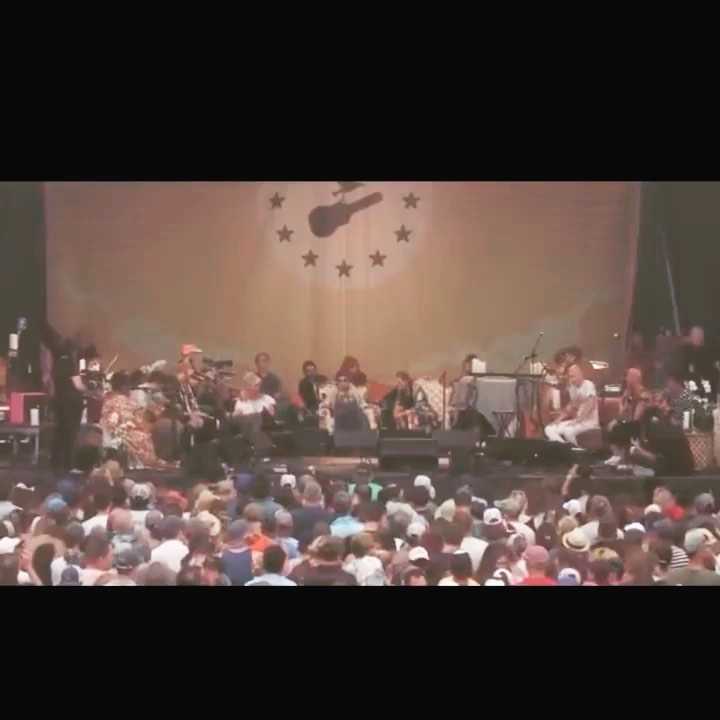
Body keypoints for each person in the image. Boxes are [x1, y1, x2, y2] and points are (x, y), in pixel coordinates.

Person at [100, 371, 175, 470]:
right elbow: (131, 418)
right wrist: (149, 414)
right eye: (128, 386)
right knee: (142, 435)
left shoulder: (109, 398)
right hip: (122, 430)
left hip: (116, 428)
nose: (130, 389)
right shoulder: (120, 399)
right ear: (123, 387)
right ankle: (147, 462)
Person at [51, 338, 86, 473]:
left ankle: (56, 462)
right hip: (71, 403)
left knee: (60, 432)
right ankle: (69, 464)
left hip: (59, 401)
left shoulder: (57, 363)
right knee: (71, 433)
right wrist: (88, 389)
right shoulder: (70, 364)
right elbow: (78, 385)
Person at [545, 364, 599, 445]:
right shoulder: (573, 388)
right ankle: (564, 448)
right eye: (570, 376)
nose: (571, 379)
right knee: (549, 429)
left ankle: (577, 451)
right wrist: (559, 419)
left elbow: (590, 405)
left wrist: (579, 419)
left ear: (580, 374)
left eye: (573, 376)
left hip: (590, 421)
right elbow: (571, 406)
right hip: (578, 421)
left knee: (568, 431)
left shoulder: (588, 384)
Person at [630, 409, 694, 476]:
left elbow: (655, 457)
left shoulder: (664, 434)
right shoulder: (673, 432)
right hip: (685, 470)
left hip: (674, 471)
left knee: (637, 456)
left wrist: (639, 450)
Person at [670, 326, 716, 396]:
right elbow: (676, 371)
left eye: (700, 337)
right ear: (690, 337)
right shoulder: (682, 351)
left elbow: (709, 370)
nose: (698, 339)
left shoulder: (706, 352)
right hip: (685, 385)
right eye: (696, 336)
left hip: (702, 385)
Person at [291, 480, 332, 545]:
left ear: (304, 495)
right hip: (320, 548)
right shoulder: (328, 516)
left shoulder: (293, 515)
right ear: (321, 496)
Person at [221, 520, 255, 586]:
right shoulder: (254, 555)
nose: (252, 535)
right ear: (245, 535)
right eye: (250, 532)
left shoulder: (221, 555)